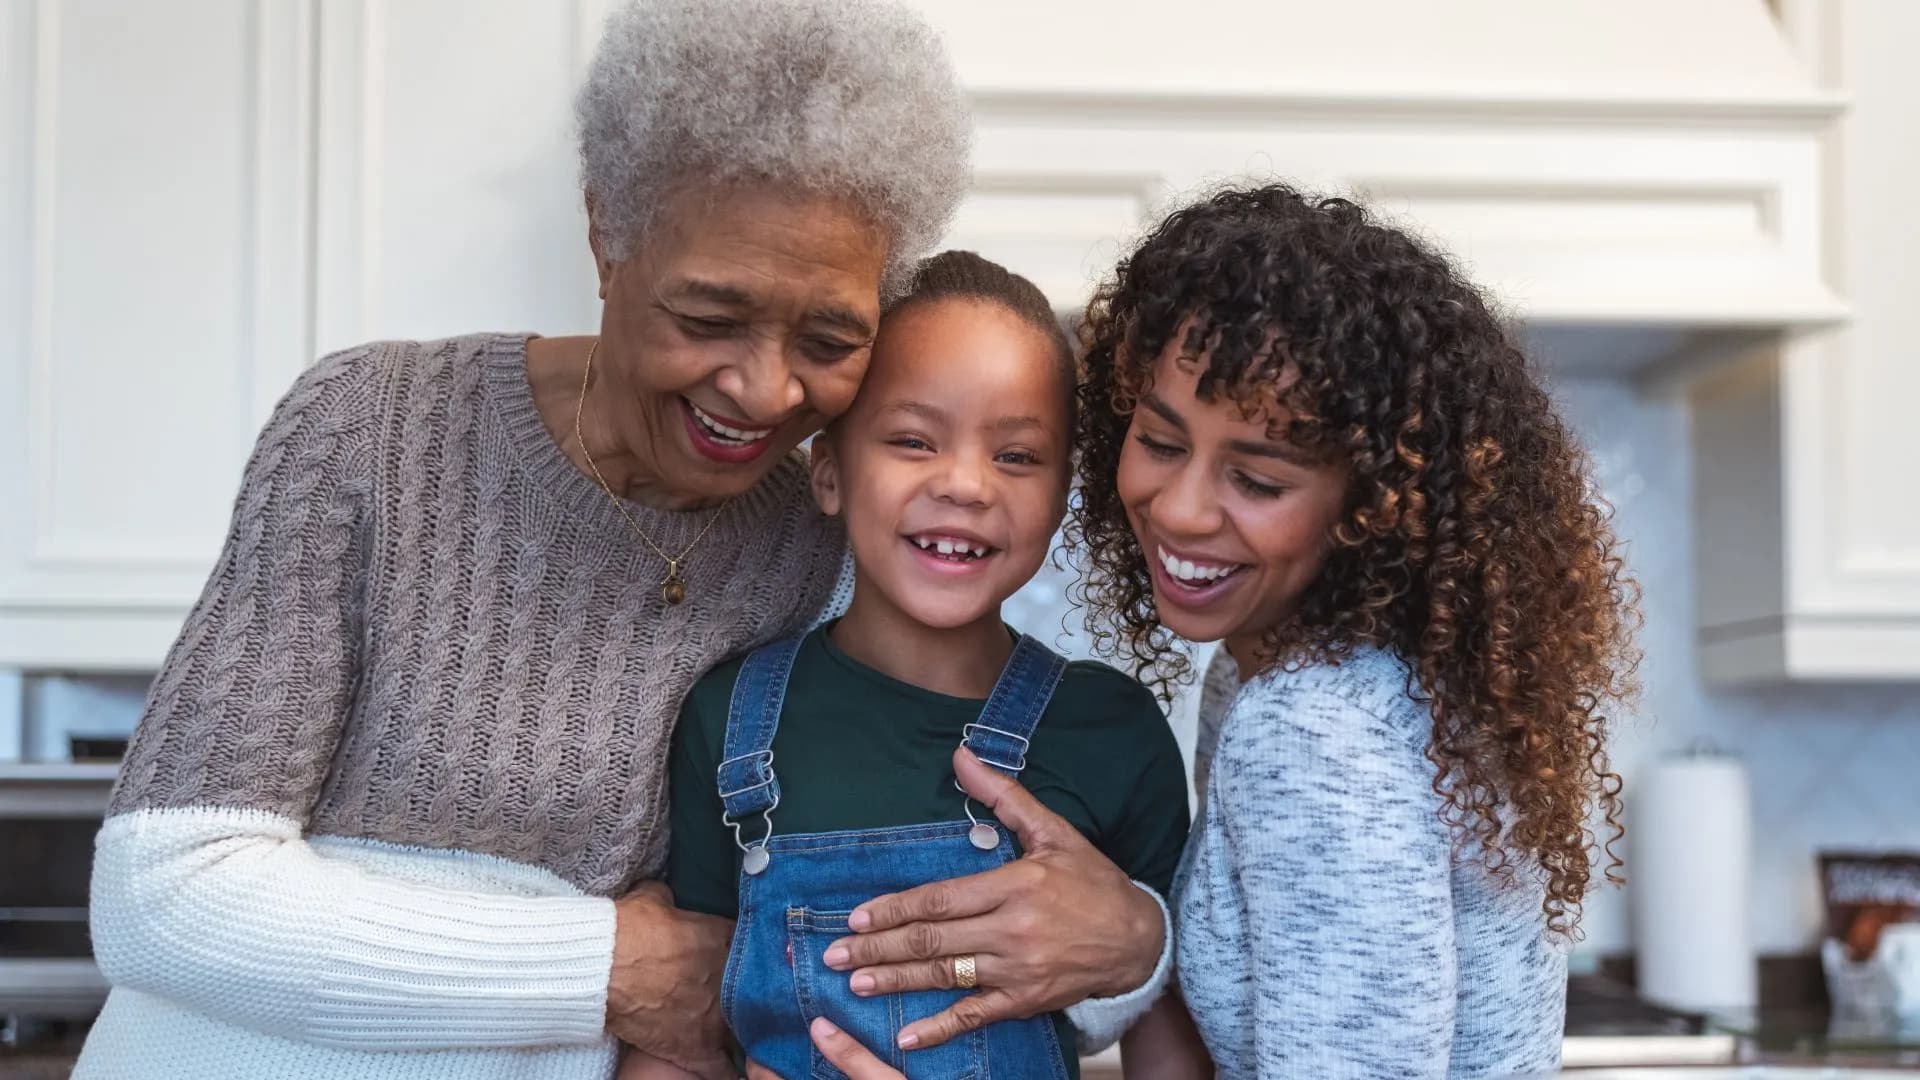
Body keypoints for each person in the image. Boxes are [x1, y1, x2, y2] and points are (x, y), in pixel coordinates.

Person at [74, 5, 1168, 1078]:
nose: (764, 388)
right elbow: (163, 896)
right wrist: (611, 963)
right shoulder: (372, 430)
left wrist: (1130, 944)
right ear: (608, 235)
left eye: (828, 338)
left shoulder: (812, 537)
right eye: (709, 318)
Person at [1065, 182, 1643, 1078]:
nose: (1178, 509)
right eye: (1161, 441)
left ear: (1366, 508)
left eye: (1256, 480)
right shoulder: (1306, 673)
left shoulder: (1310, 727)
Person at [622, 252, 1191, 1080]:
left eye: (1018, 456)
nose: (964, 484)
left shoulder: (1112, 731)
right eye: (913, 440)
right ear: (829, 471)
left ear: (1066, 486)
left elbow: (1169, 1031)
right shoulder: (729, 715)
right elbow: (677, 1030)